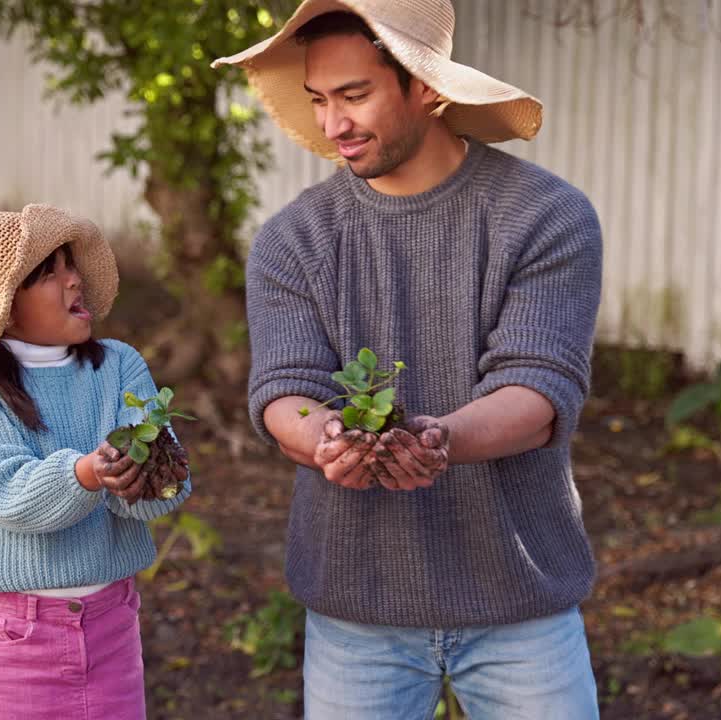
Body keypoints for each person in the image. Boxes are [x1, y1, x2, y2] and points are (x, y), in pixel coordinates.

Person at [213, 1, 603, 717]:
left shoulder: (547, 217)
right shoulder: (291, 240)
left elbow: (539, 391)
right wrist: (325, 438)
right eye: (320, 101)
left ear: (425, 86)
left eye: (355, 95)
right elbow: (284, 391)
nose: (333, 126)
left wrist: (438, 441)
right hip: (355, 608)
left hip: (520, 600)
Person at [0, 203, 191, 720]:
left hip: (111, 628)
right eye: (51, 273)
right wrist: (87, 473)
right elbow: (3, 493)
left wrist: (139, 486)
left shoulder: (119, 366)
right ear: (5, 306)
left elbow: (166, 485)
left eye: (71, 265)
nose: (75, 280)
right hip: (12, 639)